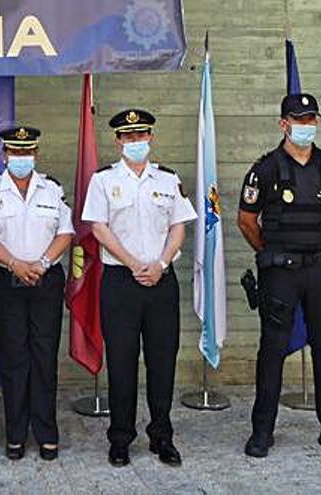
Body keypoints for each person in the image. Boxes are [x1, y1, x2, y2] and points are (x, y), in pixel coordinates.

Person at [81, 109, 196, 467]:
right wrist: (134, 264)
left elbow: (179, 226)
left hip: (162, 283)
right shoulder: (103, 180)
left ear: (151, 138)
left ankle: (162, 436)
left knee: (163, 362)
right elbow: (98, 228)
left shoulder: (168, 179)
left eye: (141, 136)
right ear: (118, 141)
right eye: (128, 137)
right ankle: (120, 438)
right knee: (121, 362)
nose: (135, 142)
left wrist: (160, 264)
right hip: (120, 282)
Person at [0, 127, 74, 461]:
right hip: (7, 280)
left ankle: (46, 431)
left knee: (45, 355)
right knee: (14, 357)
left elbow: (65, 232)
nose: (21, 159)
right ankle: (16, 433)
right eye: (15, 153)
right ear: (4, 155)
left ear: (36, 154)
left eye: (27, 152)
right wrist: (16, 264)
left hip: (46, 280)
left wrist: (42, 264)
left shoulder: (52, 188)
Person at [237, 93, 321, 458]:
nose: (305, 125)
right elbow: (246, 220)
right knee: (272, 352)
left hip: (320, 270)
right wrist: (271, 255)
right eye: (298, 119)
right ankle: (262, 431)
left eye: (311, 119)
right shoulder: (266, 169)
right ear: (283, 124)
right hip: (280, 273)